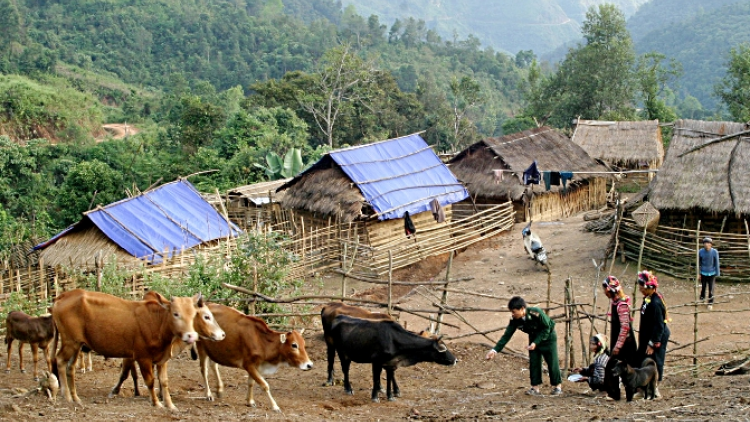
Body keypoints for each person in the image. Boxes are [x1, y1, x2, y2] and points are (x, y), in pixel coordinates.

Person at [485, 296, 562, 396]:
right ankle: (535, 388)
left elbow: (546, 328)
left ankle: (557, 386)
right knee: (534, 362)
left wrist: (536, 342)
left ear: (522, 309)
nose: (513, 314)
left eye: (514, 311)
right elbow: (506, 335)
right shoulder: (515, 320)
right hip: (533, 337)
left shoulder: (536, 313)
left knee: (552, 361)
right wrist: (494, 350)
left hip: (548, 338)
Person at [602, 275, 638, 401]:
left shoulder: (621, 305)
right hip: (620, 342)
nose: (604, 292)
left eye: (605, 289)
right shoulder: (615, 303)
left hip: (626, 344)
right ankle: (614, 394)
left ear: (609, 290)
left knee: (628, 368)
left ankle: (635, 391)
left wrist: (618, 346)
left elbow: (625, 327)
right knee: (613, 367)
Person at [636, 270, 671, 398]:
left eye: (641, 286)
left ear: (649, 287)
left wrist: (652, 343)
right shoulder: (648, 299)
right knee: (642, 359)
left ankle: (654, 389)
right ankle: (642, 388)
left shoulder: (655, 304)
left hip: (657, 336)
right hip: (648, 334)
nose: (640, 289)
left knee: (655, 361)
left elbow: (659, 326)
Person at [698, 237, 720, 310]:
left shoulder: (714, 252)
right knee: (703, 286)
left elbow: (716, 263)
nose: (706, 245)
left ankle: (710, 302)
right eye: (705, 243)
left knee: (711, 288)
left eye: (708, 243)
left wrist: (717, 273)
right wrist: (698, 273)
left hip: (712, 273)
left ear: (711, 244)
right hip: (703, 272)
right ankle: (702, 298)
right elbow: (699, 263)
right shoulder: (700, 251)